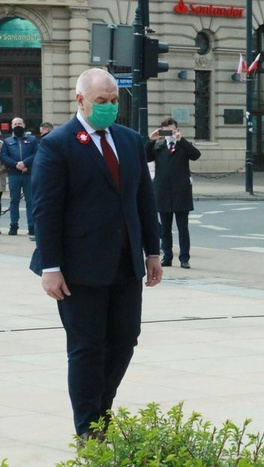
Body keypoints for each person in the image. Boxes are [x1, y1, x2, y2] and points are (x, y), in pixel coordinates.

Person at [29, 67, 162, 442]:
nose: (108, 108)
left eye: (114, 101)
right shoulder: (58, 144)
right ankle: (88, 427)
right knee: (87, 347)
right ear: (81, 100)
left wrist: (153, 251)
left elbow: (143, 200)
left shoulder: (130, 140)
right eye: (101, 102)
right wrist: (51, 267)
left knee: (125, 339)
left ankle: (101, 410)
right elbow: (46, 210)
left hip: (125, 264)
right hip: (78, 268)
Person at [146, 117, 202, 269]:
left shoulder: (183, 146)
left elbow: (196, 155)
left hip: (181, 192)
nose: (170, 133)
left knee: (183, 228)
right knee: (165, 228)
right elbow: (145, 157)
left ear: (177, 130)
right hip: (163, 192)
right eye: (167, 130)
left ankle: (184, 258)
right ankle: (167, 257)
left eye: (173, 130)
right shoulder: (158, 145)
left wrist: (181, 140)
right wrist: (151, 140)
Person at [0, 117, 38, 236]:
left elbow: (37, 153)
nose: (17, 125)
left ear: (24, 125)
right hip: (14, 175)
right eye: (15, 123)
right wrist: (16, 164)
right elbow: (4, 156)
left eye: (19, 123)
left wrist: (25, 163)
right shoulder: (7, 141)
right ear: (11, 126)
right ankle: (13, 226)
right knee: (14, 201)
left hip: (29, 174)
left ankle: (31, 226)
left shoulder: (32, 139)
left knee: (30, 201)